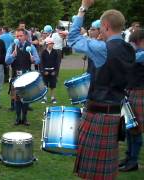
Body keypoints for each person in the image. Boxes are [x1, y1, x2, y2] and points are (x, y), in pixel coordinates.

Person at [68, 0, 135, 179]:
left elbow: (73, 38)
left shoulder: (102, 49)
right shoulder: (130, 49)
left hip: (98, 114)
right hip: (115, 114)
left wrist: (83, 9)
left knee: (93, 174)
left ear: (105, 26)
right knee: (105, 173)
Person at [119, 30, 144, 172]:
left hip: (139, 93)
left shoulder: (140, 54)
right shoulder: (135, 51)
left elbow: (134, 58)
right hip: (130, 92)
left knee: (136, 129)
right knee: (129, 128)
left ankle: (133, 161)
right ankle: (128, 157)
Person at [5, 28, 40, 125]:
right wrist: (12, 56)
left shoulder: (31, 47)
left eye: (20, 36)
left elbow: (38, 60)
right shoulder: (12, 47)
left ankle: (24, 118)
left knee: (25, 98)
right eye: (17, 36)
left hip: (27, 75)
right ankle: (17, 118)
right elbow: (7, 61)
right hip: (16, 75)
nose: (18, 38)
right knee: (16, 98)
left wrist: (33, 60)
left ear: (25, 36)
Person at [40, 37, 59, 104]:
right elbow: (41, 63)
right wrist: (43, 71)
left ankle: (53, 97)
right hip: (45, 71)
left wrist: (55, 72)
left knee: (53, 85)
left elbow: (57, 63)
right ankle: (44, 98)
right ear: (47, 44)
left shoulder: (55, 52)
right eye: (50, 44)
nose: (51, 45)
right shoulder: (43, 52)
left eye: (52, 44)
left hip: (53, 71)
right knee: (45, 85)